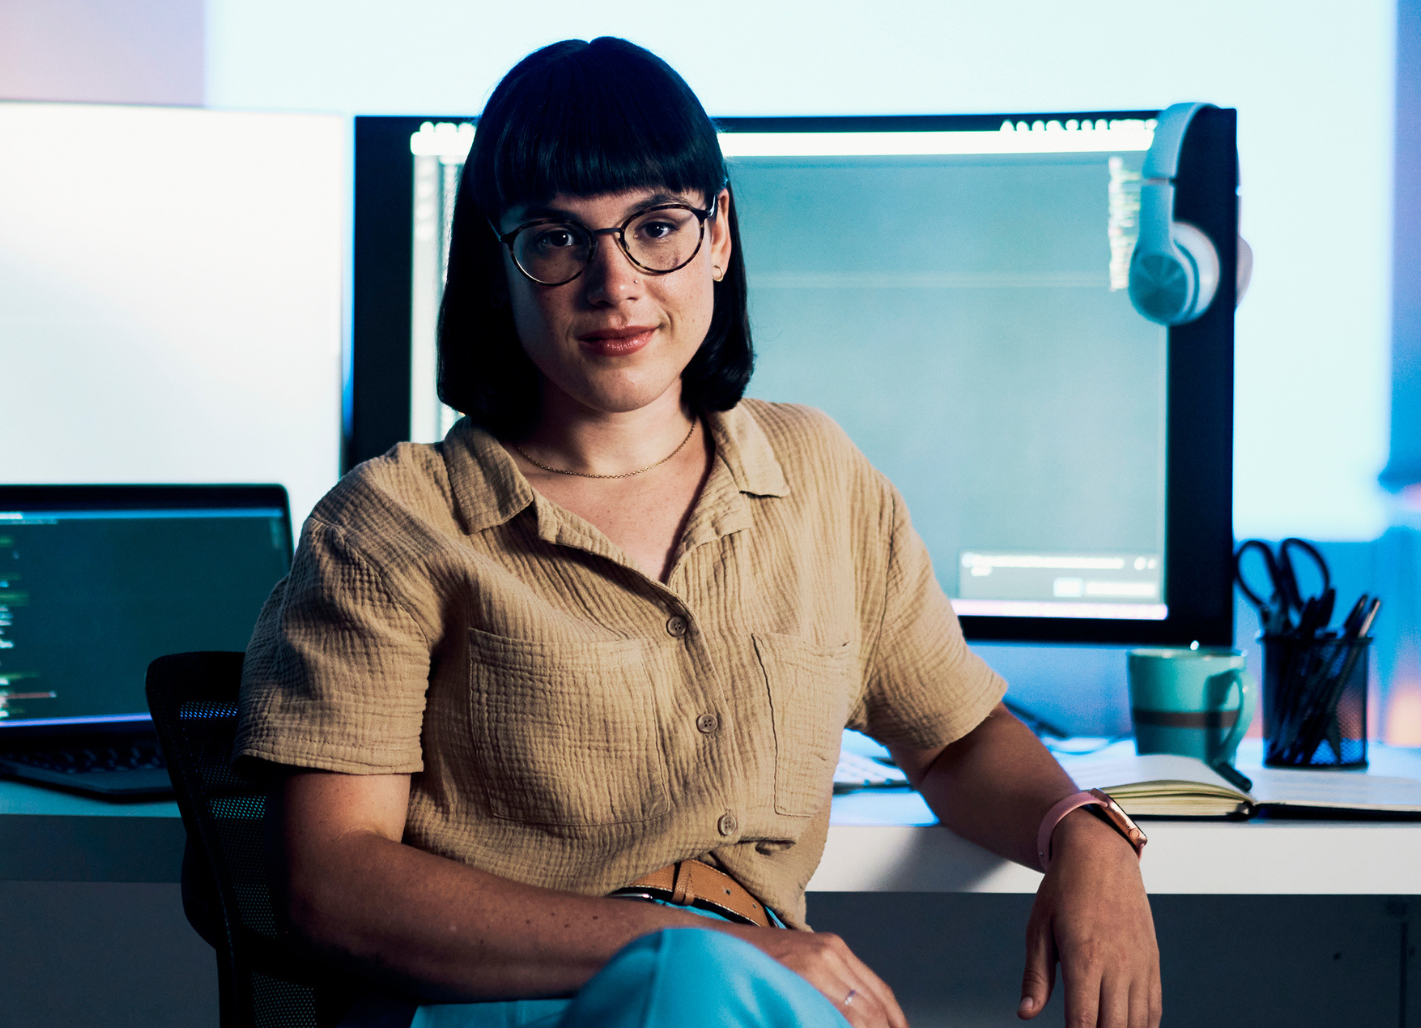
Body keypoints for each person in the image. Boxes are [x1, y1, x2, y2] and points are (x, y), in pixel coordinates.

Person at [237, 37, 1160, 1028]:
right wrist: (700, 946)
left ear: (718, 234)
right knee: (690, 985)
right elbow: (332, 882)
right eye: (557, 239)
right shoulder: (391, 525)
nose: (615, 283)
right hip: (515, 1004)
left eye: (657, 227)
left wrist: (1085, 832)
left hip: (757, 992)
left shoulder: (818, 474)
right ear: (494, 264)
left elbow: (955, 735)